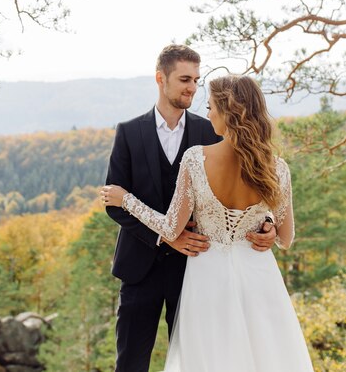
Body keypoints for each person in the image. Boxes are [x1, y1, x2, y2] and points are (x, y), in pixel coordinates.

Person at [102, 74, 314, 372]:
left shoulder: (195, 159)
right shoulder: (277, 168)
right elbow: (286, 237)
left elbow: (170, 229)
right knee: (263, 357)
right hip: (258, 275)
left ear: (229, 112)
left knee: (211, 359)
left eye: (212, 106)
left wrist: (126, 200)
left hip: (207, 275)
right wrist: (267, 224)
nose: (208, 112)